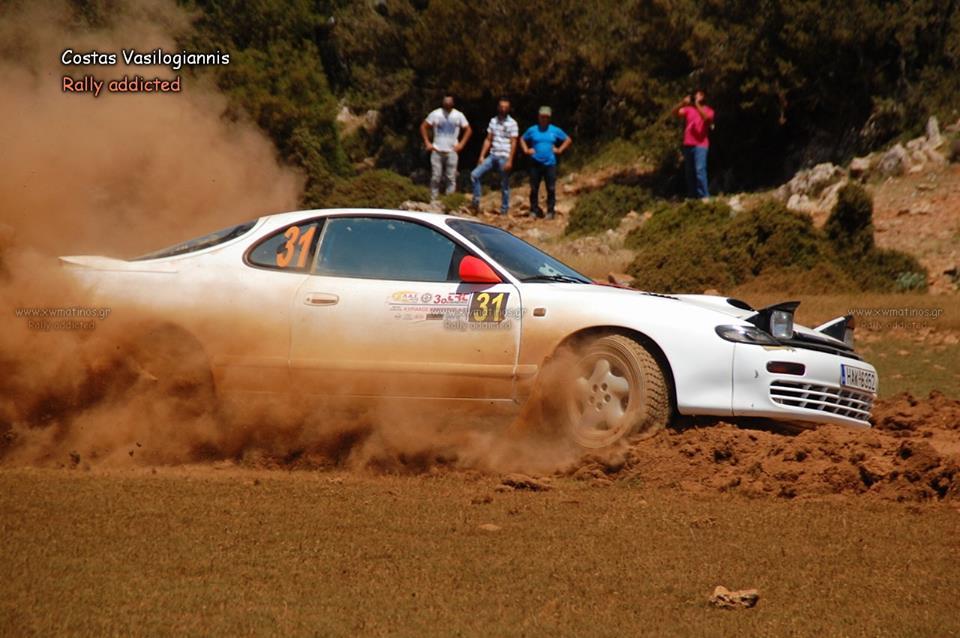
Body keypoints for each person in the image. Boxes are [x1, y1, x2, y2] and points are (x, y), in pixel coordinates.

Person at [520, 106, 571, 219]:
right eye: (542, 117)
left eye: (546, 117)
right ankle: (534, 210)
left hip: (550, 163)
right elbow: (522, 139)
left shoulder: (554, 130)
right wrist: (526, 150)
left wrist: (559, 150)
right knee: (534, 188)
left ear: (549, 118)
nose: (544, 119)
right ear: (538, 117)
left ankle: (550, 211)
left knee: (551, 188)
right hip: (535, 162)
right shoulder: (533, 130)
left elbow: (567, 140)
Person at [470, 98, 519, 215]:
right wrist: (482, 156)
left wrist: (510, 160)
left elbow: (514, 142)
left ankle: (504, 209)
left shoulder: (512, 123)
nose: (503, 109)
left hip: (504, 155)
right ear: (498, 108)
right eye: (501, 107)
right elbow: (488, 139)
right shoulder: (493, 121)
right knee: (474, 175)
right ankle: (476, 201)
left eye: (505, 107)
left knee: (504, 183)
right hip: (493, 154)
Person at [420, 95, 472, 201]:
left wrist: (461, 144)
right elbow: (423, 126)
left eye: (449, 101)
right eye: (446, 101)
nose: (447, 103)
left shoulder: (458, 115)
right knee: (436, 176)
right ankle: (433, 199)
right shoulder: (436, 113)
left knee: (451, 177)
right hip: (437, 149)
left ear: (453, 103)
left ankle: (449, 200)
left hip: (452, 150)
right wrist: (427, 142)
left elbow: (468, 129)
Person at [676, 89, 714, 199]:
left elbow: (706, 118)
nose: (696, 97)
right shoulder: (689, 110)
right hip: (688, 144)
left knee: (700, 170)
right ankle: (692, 196)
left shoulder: (709, 110)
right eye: (696, 95)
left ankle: (704, 196)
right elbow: (675, 113)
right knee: (689, 172)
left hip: (701, 145)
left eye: (699, 95)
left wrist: (697, 104)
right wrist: (682, 103)